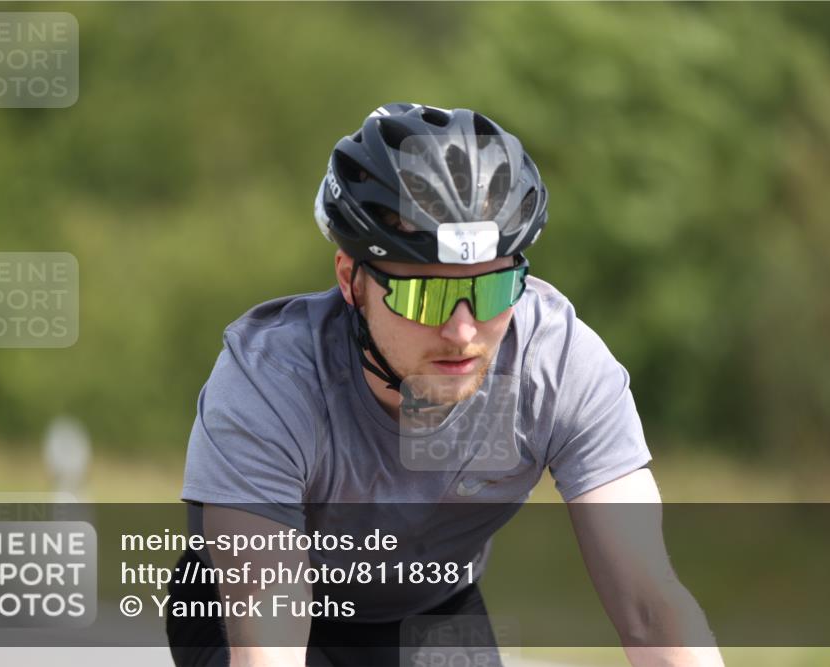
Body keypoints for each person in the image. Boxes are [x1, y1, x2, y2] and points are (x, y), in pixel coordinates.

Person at [167, 102, 724, 667]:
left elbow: (650, 608)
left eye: (490, 291)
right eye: (424, 296)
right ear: (351, 281)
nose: (462, 332)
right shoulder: (272, 382)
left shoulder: (555, 366)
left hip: (429, 605)